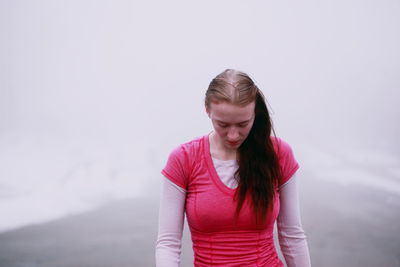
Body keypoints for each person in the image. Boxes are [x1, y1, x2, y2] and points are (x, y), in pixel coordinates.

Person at [155, 69, 311, 267]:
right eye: (223, 124)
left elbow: (292, 235)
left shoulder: (279, 153)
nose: (233, 135)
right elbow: (168, 243)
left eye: (243, 124)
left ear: (255, 114)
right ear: (207, 110)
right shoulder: (183, 158)